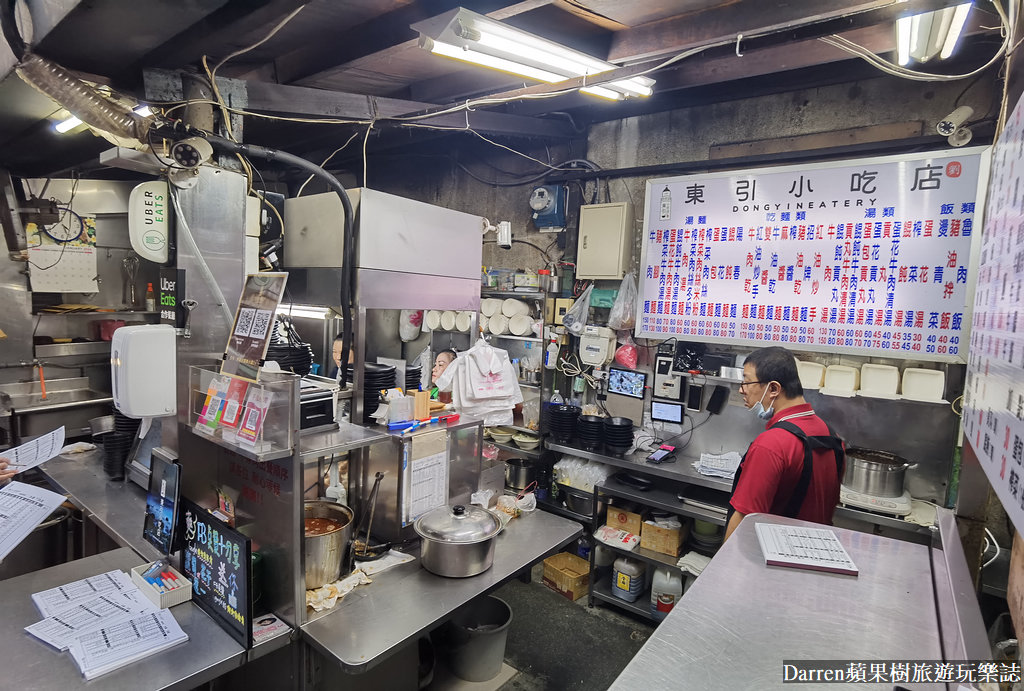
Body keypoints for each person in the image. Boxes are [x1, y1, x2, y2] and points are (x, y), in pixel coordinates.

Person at [725, 346, 845, 541]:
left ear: (773, 389)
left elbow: (744, 522)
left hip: (773, 557)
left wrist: (724, 569)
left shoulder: (771, 445)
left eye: (747, 382)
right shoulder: (832, 436)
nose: (741, 390)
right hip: (814, 554)